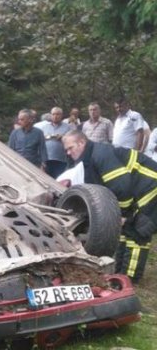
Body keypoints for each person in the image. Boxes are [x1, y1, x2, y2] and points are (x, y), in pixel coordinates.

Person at [62, 130, 157, 283]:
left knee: (137, 232)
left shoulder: (100, 155)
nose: (68, 152)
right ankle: (120, 272)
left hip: (151, 187)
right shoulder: (89, 158)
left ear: (81, 143)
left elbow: (121, 187)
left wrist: (122, 214)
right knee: (124, 232)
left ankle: (130, 278)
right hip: (139, 189)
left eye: (70, 148)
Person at [39, 107, 71, 178]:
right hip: (46, 159)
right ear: (50, 115)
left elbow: (72, 141)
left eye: (57, 114)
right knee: (46, 180)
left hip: (61, 159)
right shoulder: (44, 127)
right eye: (53, 114)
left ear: (61, 115)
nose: (55, 116)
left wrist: (63, 137)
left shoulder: (68, 127)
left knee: (59, 180)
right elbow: (40, 143)